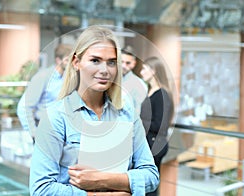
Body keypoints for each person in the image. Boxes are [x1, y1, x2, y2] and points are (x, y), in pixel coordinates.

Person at [29, 26, 159, 195]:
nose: (104, 70)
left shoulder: (127, 114)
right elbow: (41, 189)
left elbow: (151, 175)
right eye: (95, 60)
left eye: (111, 62)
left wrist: (102, 180)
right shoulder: (57, 116)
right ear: (76, 62)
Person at [16, 43, 72, 143]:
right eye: (68, 60)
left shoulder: (69, 78)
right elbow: (23, 107)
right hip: (45, 130)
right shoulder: (43, 77)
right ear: (58, 60)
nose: (71, 64)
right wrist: (34, 133)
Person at [139, 56, 175, 196]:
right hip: (149, 142)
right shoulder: (151, 91)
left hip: (155, 143)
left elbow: (160, 125)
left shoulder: (161, 94)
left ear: (153, 71)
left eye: (144, 68)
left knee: (150, 185)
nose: (141, 72)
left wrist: (138, 122)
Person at [121, 45, 148, 114]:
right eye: (121, 62)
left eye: (128, 63)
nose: (123, 66)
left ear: (134, 64)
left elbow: (138, 112)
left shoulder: (139, 84)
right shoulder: (109, 80)